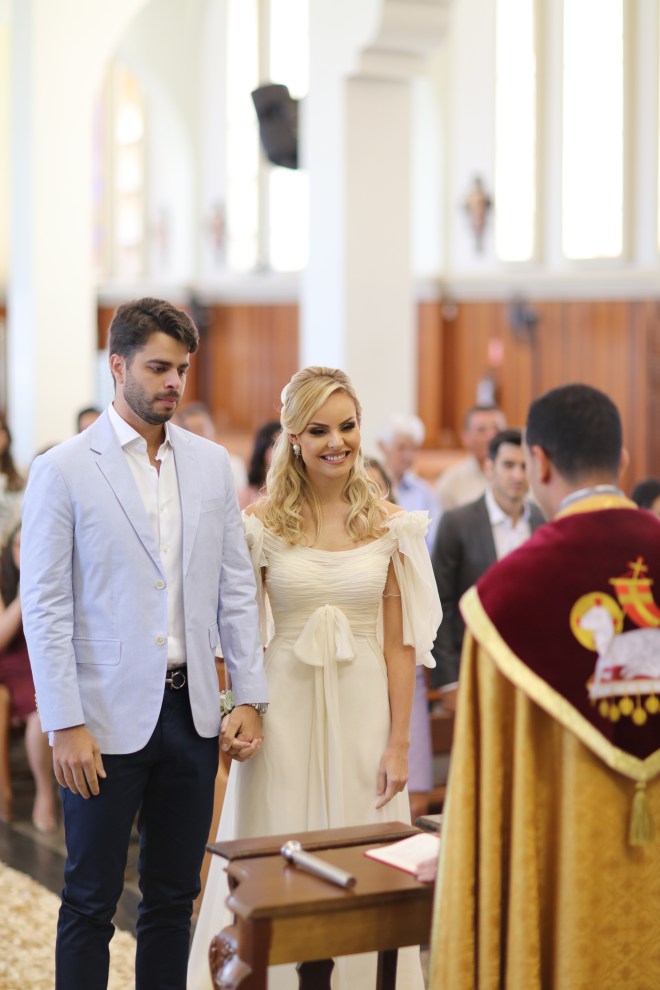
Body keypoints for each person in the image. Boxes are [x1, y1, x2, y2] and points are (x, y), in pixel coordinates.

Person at [20, 297, 268, 990]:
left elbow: (234, 588)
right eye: (159, 368)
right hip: (99, 718)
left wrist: (248, 696)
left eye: (181, 369)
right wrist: (64, 722)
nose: (173, 383)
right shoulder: (64, 469)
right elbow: (46, 606)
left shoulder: (211, 465)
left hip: (192, 714)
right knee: (90, 899)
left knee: (172, 899)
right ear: (118, 365)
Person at [189, 367, 442, 990]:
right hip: (284, 709)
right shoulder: (260, 524)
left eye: (347, 426)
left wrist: (399, 743)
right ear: (294, 437)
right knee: (276, 842)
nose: (337, 442)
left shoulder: (391, 525)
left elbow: (399, 645)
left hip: (364, 711)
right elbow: (239, 633)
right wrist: (240, 706)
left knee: (363, 854)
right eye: (320, 430)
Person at [429, 384, 660, 990]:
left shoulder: (505, 598)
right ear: (623, 460)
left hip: (565, 893)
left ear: (539, 462)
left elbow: (486, 792)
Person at [430, 428, 545, 702]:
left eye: (524, 466)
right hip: (473, 664)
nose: (517, 475)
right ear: (489, 468)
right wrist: (448, 680)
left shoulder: (540, 521)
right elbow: (439, 601)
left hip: (530, 667)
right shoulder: (457, 523)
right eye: (508, 465)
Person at [376, 413, 439, 820]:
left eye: (413, 448)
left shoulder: (423, 496)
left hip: (406, 631)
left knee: (410, 782)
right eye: (402, 447)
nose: (408, 455)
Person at [0, 522, 56, 830]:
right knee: (40, 712)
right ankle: (44, 795)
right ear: (11, 550)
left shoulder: (54, 574)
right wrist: (26, 589)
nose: (26, 551)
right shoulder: (5, 583)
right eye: (20, 545)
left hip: (42, 661)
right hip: (12, 665)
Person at [434, 404, 506, 511]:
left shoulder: (519, 477)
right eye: (481, 430)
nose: (491, 437)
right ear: (465, 436)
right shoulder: (451, 482)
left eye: (497, 430)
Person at [178, 400, 248, 491]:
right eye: (192, 430)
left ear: (212, 429)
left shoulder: (233, 464)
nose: (198, 435)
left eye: (201, 428)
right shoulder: (178, 467)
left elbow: (240, 496)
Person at [238, 419, 281, 509]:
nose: (281, 451)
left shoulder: (296, 495)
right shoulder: (246, 495)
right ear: (262, 449)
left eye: (284, 446)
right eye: (274, 445)